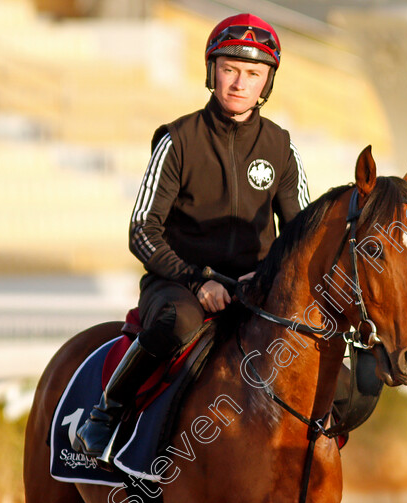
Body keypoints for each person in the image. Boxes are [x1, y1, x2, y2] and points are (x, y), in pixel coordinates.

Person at [72, 13, 310, 462]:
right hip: (178, 287)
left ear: (267, 83)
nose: (240, 83)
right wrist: (199, 280)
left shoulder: (282, 146)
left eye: (253, 74)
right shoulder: (177, 140)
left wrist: (270, 272)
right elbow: (142, 232)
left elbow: (300, 234)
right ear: (211, 72)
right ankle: (106, 414)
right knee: (178, 322)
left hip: (255, 290)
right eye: (230, 70)